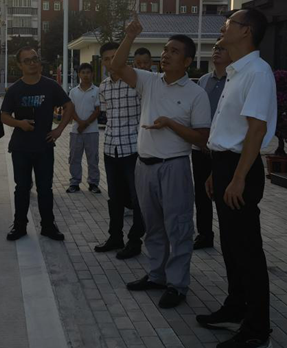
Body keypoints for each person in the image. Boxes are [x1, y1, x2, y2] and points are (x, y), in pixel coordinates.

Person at [112, 17, 211, 309]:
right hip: (144, 166)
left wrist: (170, 123)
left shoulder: (196, 93)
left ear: (188, 61)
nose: (166, 55)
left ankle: (177, 285)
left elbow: (202, 139)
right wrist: (129, 37)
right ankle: (157, 275)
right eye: (165, 50)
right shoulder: (149, 81)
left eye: (174, 51)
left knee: (178, 227)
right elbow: (117, 66)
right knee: (153, 226)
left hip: (174, 167)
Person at [197, 8, 277, 348]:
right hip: (225, 165)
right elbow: (229, 129)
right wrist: (217, 172)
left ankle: (258, 332)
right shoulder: (235, 71)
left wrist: (239, 177)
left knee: (247, 251)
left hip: (240, 169)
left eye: (228, 24)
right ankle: (236, 308)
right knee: (231, 246)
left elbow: (256, 130)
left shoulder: (257, 72)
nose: (222, 28)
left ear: (246, 31)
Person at [1, 47, 74, 241]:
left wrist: (59, 130)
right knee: (22, 188)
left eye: (35, 59)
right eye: (27, 61)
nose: (32, 63)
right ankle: (19, 226)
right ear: (20, 65)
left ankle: (48, 226)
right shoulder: (15, 89)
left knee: (45, 189)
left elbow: (69, 106)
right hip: (20, 148)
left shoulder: (50, 86)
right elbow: (4, 116)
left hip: (44, 147)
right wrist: (20, 124)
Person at [95, 42, 146, 260]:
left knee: (137, 198)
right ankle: (115, 236)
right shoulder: (103, 86)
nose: (111, 62)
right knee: (114, 197)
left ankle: (135, 241)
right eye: (106, 59)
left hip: (133, 149)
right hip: (110, 148)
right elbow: (107, 116)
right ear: (103, 63)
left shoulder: (136, 82)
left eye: (115, 57)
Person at [192, 38, 232, 250]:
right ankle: (204, 234)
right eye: (216, 48)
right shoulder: (203, 80)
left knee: (223, 192)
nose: (216, 51)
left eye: (222, 48)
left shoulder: (234, 80)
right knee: (201, 194)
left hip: (223, 148)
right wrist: (201, 140)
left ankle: (229, 236)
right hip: (201, 147)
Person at [67, 63, 101, 194]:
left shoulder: (97, 90)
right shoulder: (73, 91)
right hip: (76, 131)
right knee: (74, 158)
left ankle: (93, 183)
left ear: (92, 74)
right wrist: (80, 123)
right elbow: (70, 109)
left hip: (92, 131)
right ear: (79, 74)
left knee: (93, 158)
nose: (86, 75)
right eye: (83, 72)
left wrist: (85, 124)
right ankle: (74, 183)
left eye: (88, 72)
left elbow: (97, 110)